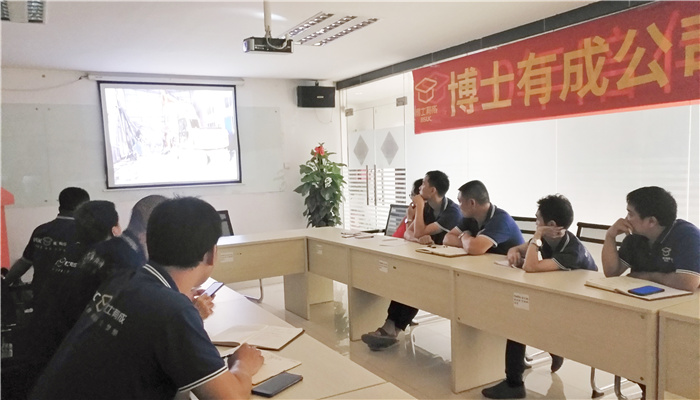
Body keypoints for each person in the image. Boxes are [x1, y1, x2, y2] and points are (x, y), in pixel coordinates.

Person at [30, 197, 263, 400]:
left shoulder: (124, 279)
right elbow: (230, 397)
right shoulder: (173, 310)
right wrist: (242, 364)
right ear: (211, 254)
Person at [482, 194, 598, 399]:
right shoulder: (549, 238)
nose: (535, 223)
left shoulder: (572, 250)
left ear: (550, 225)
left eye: (538, 220)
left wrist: (536, 236)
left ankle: (514, 383)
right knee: (520, 314)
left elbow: (531, 266)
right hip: (560, 296)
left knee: (519, 321)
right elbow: (520, 249)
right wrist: (513, 251)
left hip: (583, 307)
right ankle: (551, 350)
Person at [23, 201, 121, 395]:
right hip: (78, 352)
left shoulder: (70, 252)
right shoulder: (110, 261)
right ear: (114, 229)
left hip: (48, 344)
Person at [361, 171, 462, 350]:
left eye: (423, 184)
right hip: (429, 259)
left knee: (415, 284)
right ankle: (390, 327)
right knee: (408, 280)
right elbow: (409, 234)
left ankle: (391, 329)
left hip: (451, 266)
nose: (419, 188)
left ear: (432, 190)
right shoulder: (428, 207)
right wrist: (417, 233)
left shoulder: (452, 211)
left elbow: (418, 231)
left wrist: (419, 208)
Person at [602, 186, 700, 292]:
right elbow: (611, 273)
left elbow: (689, 283)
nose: (626, 219)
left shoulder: (687, 235)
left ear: (651, 221)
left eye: (630, 214)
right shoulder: (635, 236)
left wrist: (647, 276)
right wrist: (610, 236)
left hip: (686, 300)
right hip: (647, 296)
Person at [4, 187, 90, 294]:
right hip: (74, 297)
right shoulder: (88, 234)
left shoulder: (41, 231)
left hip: (41, 295)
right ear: (85, 209)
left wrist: (4, 283)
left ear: (60, 207)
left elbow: (24, 263)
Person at [443, 180, 523, 255]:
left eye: (460, 202)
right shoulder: (469, 217)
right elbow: (447, 239)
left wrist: (464, 236)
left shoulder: (501, 220)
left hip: (509, 264)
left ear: (472, 203)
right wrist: (469, 243)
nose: (459, 206)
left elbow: (474, 248)